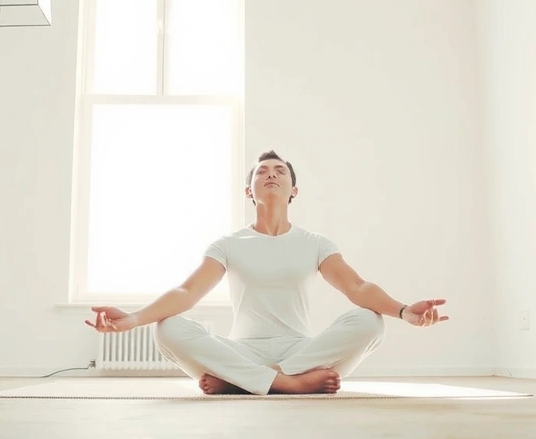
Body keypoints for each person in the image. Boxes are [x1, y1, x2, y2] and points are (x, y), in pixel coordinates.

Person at [85, 150, 448, 395]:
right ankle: (287, 384)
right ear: (249, 190)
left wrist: (403, 311)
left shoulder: (315, 242)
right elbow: (186, 293)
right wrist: (132, 319)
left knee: (370, 322)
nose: (271, 174)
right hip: (241, 351)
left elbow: (356, 286)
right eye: (262, 171)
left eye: (280, 172)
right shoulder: (229, 243)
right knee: (168, 328)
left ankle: (243, 383)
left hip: (303, 350)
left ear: (294, 190)